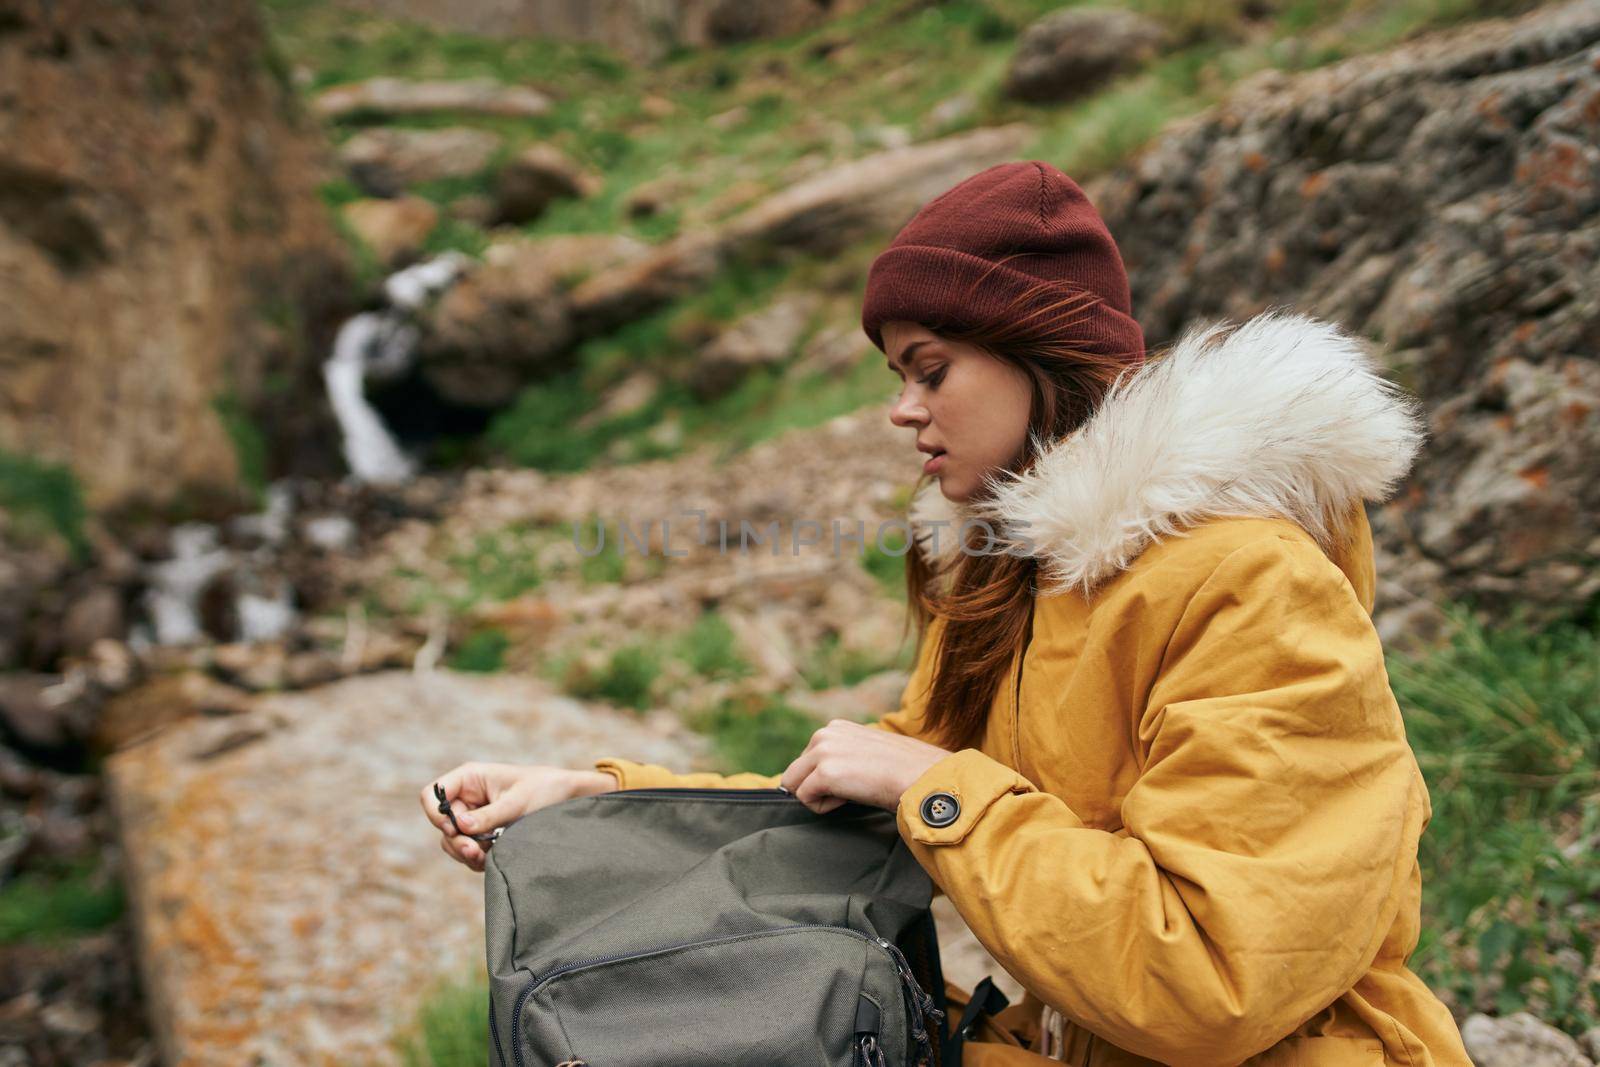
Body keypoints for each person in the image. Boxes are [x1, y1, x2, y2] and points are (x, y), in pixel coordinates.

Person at [423, 161, 1473, 1066]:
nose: (900, 407)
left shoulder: (1250, 585)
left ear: (1039, 354)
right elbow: (846, 791)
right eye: (895, 374)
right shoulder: (1018, 584)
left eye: (931, 368)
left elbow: (1211, 974)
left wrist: (939, 788)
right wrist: (588, 796)